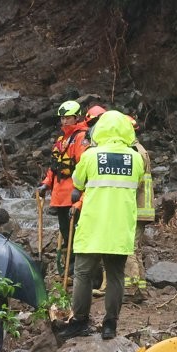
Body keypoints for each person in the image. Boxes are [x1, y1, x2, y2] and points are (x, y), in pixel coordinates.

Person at [59, 110, 145, 340]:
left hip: (93, 226)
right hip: (120, 227)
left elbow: (77, 183)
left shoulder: (90, 155)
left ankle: (80, 321)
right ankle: (110, 325)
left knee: (83, 274)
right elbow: (137, 183)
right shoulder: (135, 158)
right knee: (116, 276)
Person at [37, 100, 91, 274]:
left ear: (76, 117)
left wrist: (80, 190)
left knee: (75, 231)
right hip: (59, 194)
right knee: (65, 231)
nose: (64, 121)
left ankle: (77, 265)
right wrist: (46, 184)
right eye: (62, 118)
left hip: (74, 193)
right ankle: (70, 264)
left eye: (68, 118)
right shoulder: (62, 139)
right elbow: (55, 166)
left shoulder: (81, 138)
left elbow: (83, 166)